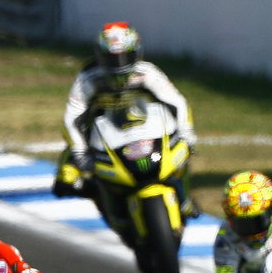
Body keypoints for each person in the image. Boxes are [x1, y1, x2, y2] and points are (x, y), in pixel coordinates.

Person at [52, 20, 198, 217]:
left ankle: (184, 200)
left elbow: (177, 102)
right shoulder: (88, 79)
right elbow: (71, 118)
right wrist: (79, 151)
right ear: (100, 56)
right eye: (112, 59)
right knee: (66, 181)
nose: (119, 65)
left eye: (125, 57)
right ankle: (100, 194)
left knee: (182, 154)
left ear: (136, 53)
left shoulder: (147, 72)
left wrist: (186, 133)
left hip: (143, 127)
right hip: (101, 132)